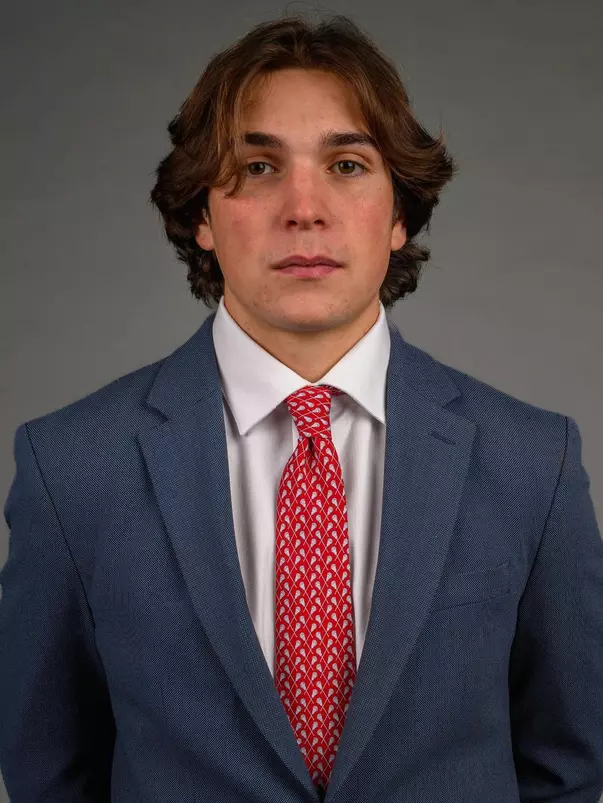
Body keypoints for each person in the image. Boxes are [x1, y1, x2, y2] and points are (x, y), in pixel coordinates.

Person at [1, 12, 602, 803]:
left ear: (398, 214)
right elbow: (48, 772)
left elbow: (570, 769)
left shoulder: (532, 462)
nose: (304, 208)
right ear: (201, 216)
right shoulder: (73, 468)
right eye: (257, 167)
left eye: (347, 164)